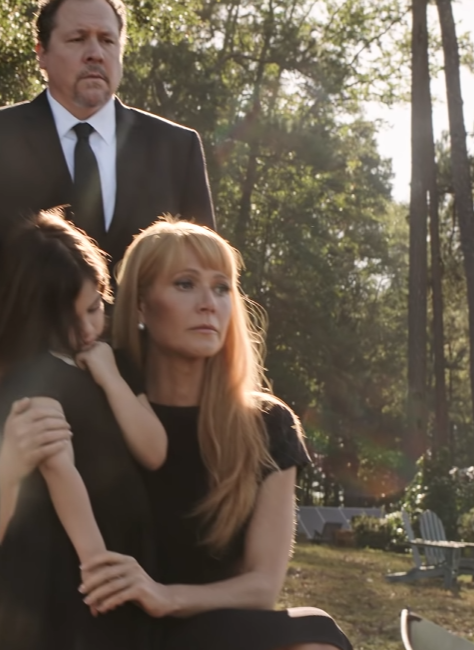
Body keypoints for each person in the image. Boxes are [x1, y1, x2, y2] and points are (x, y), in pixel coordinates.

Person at [0, 0, 216, 406]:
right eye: (77, 39)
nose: (95, 52)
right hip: (12, 402)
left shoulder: (176, 148)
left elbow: (207, 274)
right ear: (42, 53)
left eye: (107, 40)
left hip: (148, 404)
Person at [78, 219, 351, 650]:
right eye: (185, 284)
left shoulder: (268, 425)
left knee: (316, 634)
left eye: (222, 288)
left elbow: (262, 586)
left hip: (211, 631)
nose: (209, 304)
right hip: (107, 629)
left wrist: (165, 597)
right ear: (141, 306)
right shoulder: (99, 406)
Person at [0, 211, 164, 649]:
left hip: (128, 551)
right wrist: (94, 558)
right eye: (70, 320)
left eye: (94, 308)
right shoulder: (35, 378)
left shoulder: (116, 362)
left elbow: (154, 450)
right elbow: (59, 469)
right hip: (72, 564)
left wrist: (110, 378)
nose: (89, 329)